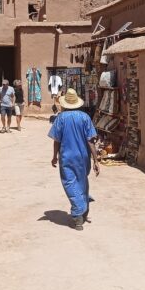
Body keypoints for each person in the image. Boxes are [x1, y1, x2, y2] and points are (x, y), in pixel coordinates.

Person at [48, 88, 100, 231]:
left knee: (70, 183)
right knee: (81, 180)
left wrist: (54, 156)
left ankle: (78, 216)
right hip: (83, 157)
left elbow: (56, 140)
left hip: (67, 157)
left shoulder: (61, 118)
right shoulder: (85, 117)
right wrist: (95, 160)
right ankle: (84, 208)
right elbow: (91, 141)